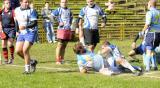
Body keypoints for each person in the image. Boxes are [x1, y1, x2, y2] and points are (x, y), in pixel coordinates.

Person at [14, 0, 38, 74]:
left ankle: (27, 70)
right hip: (22, 33)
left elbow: (34, 23)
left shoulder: (31, 11)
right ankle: (32, 62)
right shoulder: (16, 10)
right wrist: (17, 31)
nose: (27, 3)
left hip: (31, 32)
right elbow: (16, 22)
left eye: (28, 2)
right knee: (18, 51)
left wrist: (25, 26)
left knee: (25, 50)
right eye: (25, 2)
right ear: (20, 2)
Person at [51, 0, 73, 64]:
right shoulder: (58, 10)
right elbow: (51, 16)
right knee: (60, 45)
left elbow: (71, 17)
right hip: (61, 29)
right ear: (60, 3)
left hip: (68, 29)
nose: (64, 3)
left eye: (65, 2)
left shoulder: (69, 10)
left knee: (64, 45)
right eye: (62, 2)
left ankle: (62, 59)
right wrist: (58, 22)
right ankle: (58, 60)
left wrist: (70, 24)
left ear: (67, 3)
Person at [142, 0, 160, 72]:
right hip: (159, 34)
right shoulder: (159, 12)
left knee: (148, 49)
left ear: (150, 5)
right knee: (153, 49)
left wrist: (143, 31)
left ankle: (147, 67)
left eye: (148, 4)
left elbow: (148, 23)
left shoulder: (149, 12)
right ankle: (155, 66)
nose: (147, 6)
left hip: (152, 33)